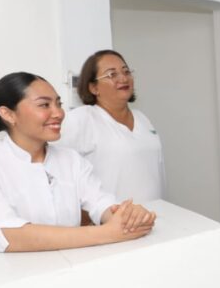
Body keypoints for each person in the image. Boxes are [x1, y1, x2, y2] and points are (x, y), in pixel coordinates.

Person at [0, 72, 156, 254]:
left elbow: (101, 202)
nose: (59, 113)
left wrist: (127, 216)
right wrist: (108, 233)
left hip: (74, 269)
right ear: (8, 114)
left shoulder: (71, 160)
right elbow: (10, 237)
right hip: (14, 277)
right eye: (44, 105)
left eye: (58, 104)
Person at [59, 50, 166, 201]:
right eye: (111, 74)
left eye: (126, 72)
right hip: (109, 214)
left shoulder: (142, 118)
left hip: (156, 212)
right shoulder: (82, 119)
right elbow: (59, 172)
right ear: (94, 88)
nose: (123, 78)